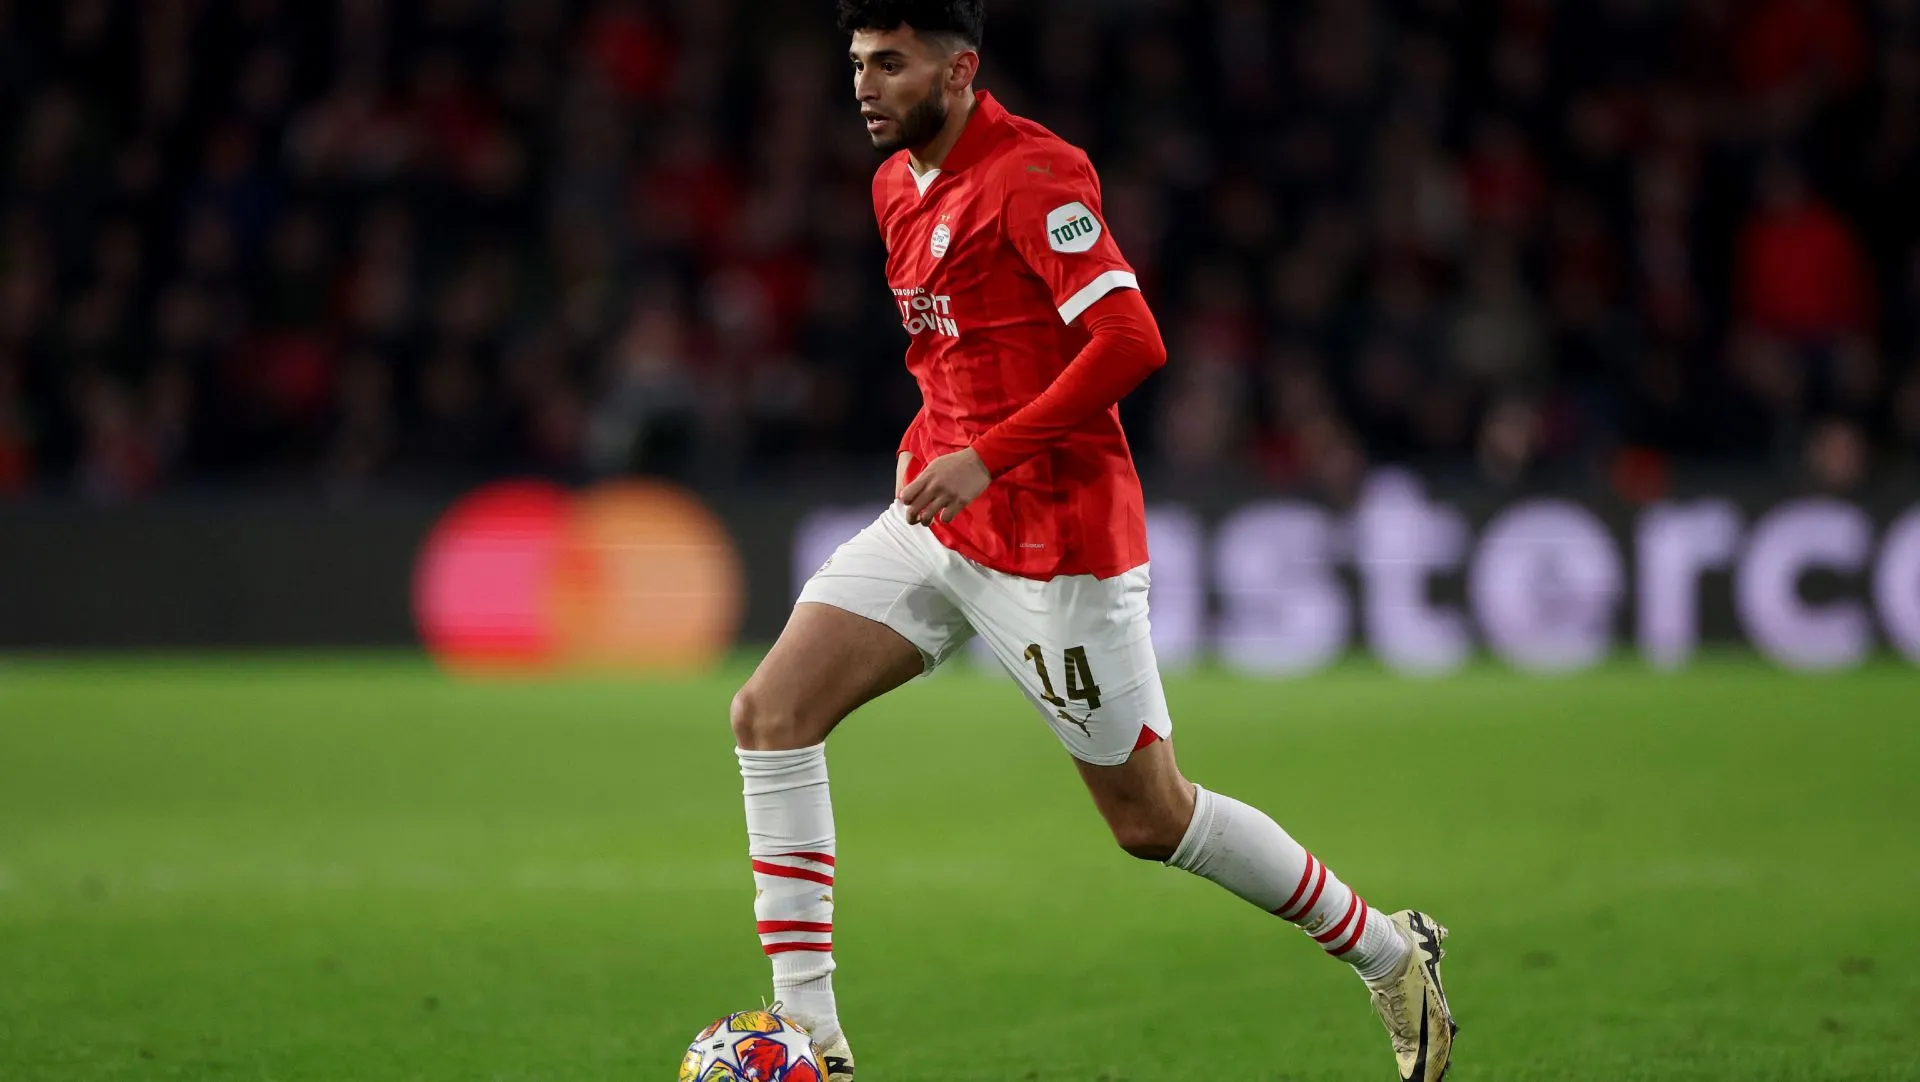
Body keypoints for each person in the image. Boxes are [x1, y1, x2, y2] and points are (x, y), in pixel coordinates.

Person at [729, 3, 1458, 1078]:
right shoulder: (894, 185)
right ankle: (814, 1040)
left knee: (1151, 819)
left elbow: (1131, 340)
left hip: (1056, 548)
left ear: (961, 68)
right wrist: (937, 448)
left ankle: (1389, 952)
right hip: (936, 523)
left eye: (891, 63)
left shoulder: (1037, 175)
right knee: (770, 712)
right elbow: (957, 356)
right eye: (856, 64)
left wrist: (989, 453)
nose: (865, 86)